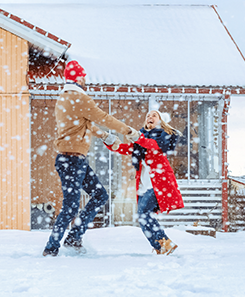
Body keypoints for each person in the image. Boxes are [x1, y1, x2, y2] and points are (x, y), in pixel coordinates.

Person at [43, 60, 139, 257]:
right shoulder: (79, 99)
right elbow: (103, 118)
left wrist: (104, 136)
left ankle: (74, 237)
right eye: (83, 76)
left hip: (72, 159)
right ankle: (51, 248)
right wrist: (128, 131)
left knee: (99, 195)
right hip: (72, 160)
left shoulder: (64, 98)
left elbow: (83, 124)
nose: (85, 80)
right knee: (70, 207)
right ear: (78, 78)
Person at [104, 110, 184, 255]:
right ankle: (161, 247)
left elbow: (150, 144)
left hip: (159, 183)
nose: (150, 117)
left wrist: (137, 137)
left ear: (160, 121)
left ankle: (164, 242)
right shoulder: (140, 142)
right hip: (144, 186)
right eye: (148, 116)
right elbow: (124, 148)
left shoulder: (162, 137)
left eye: (154, 115)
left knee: (143, 213)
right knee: (143, 218)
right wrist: (110, 141)